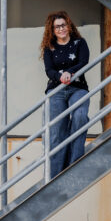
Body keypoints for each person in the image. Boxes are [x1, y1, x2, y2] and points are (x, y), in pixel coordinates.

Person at [41, 11, 91, 178]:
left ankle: (74, 163)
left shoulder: (79, 43)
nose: (61, 29)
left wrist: (69, 72)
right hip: (56, 90)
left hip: (78, 88)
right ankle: (56, 174)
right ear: (52, 30)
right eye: (57, 27)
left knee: (80, 116)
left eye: (63, 25)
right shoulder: (49, 48)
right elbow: (49, 70)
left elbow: (83, 62)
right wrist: (60, 77)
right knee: (57, 132)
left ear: (69, 26)